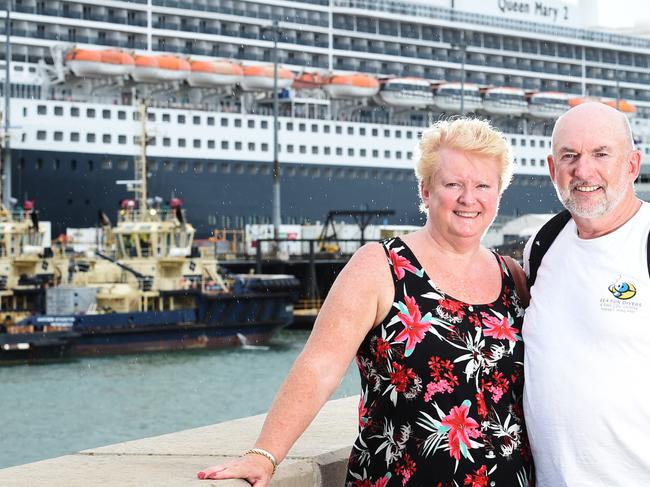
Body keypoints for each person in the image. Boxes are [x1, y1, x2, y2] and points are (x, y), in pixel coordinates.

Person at [198, 118, 533, 486]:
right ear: (425, 190)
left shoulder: (512, 277)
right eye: (453, 184)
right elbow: (320, 366)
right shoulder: (380, 266)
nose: (468, 198)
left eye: (483, 185)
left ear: (499, 193)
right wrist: (264, 454)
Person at [522, 101, 650, 486]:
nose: (583, 171)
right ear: (552, 169)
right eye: (570, 156)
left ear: (632, 165)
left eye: (601, 154)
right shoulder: (542, 246)